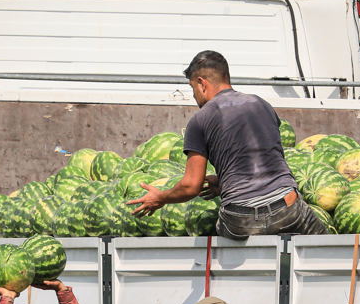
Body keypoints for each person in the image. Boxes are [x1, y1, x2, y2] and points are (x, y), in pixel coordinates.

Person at [128, 50, 326, 239]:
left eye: (192, 89)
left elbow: (190, 186)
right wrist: (225, 182)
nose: (194, 96)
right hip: (286, 208)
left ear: (201, 83)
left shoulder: (201, 119)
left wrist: (161, 198)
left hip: (240, 220)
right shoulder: (262, 105)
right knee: (323, 247)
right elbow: (269, 162)